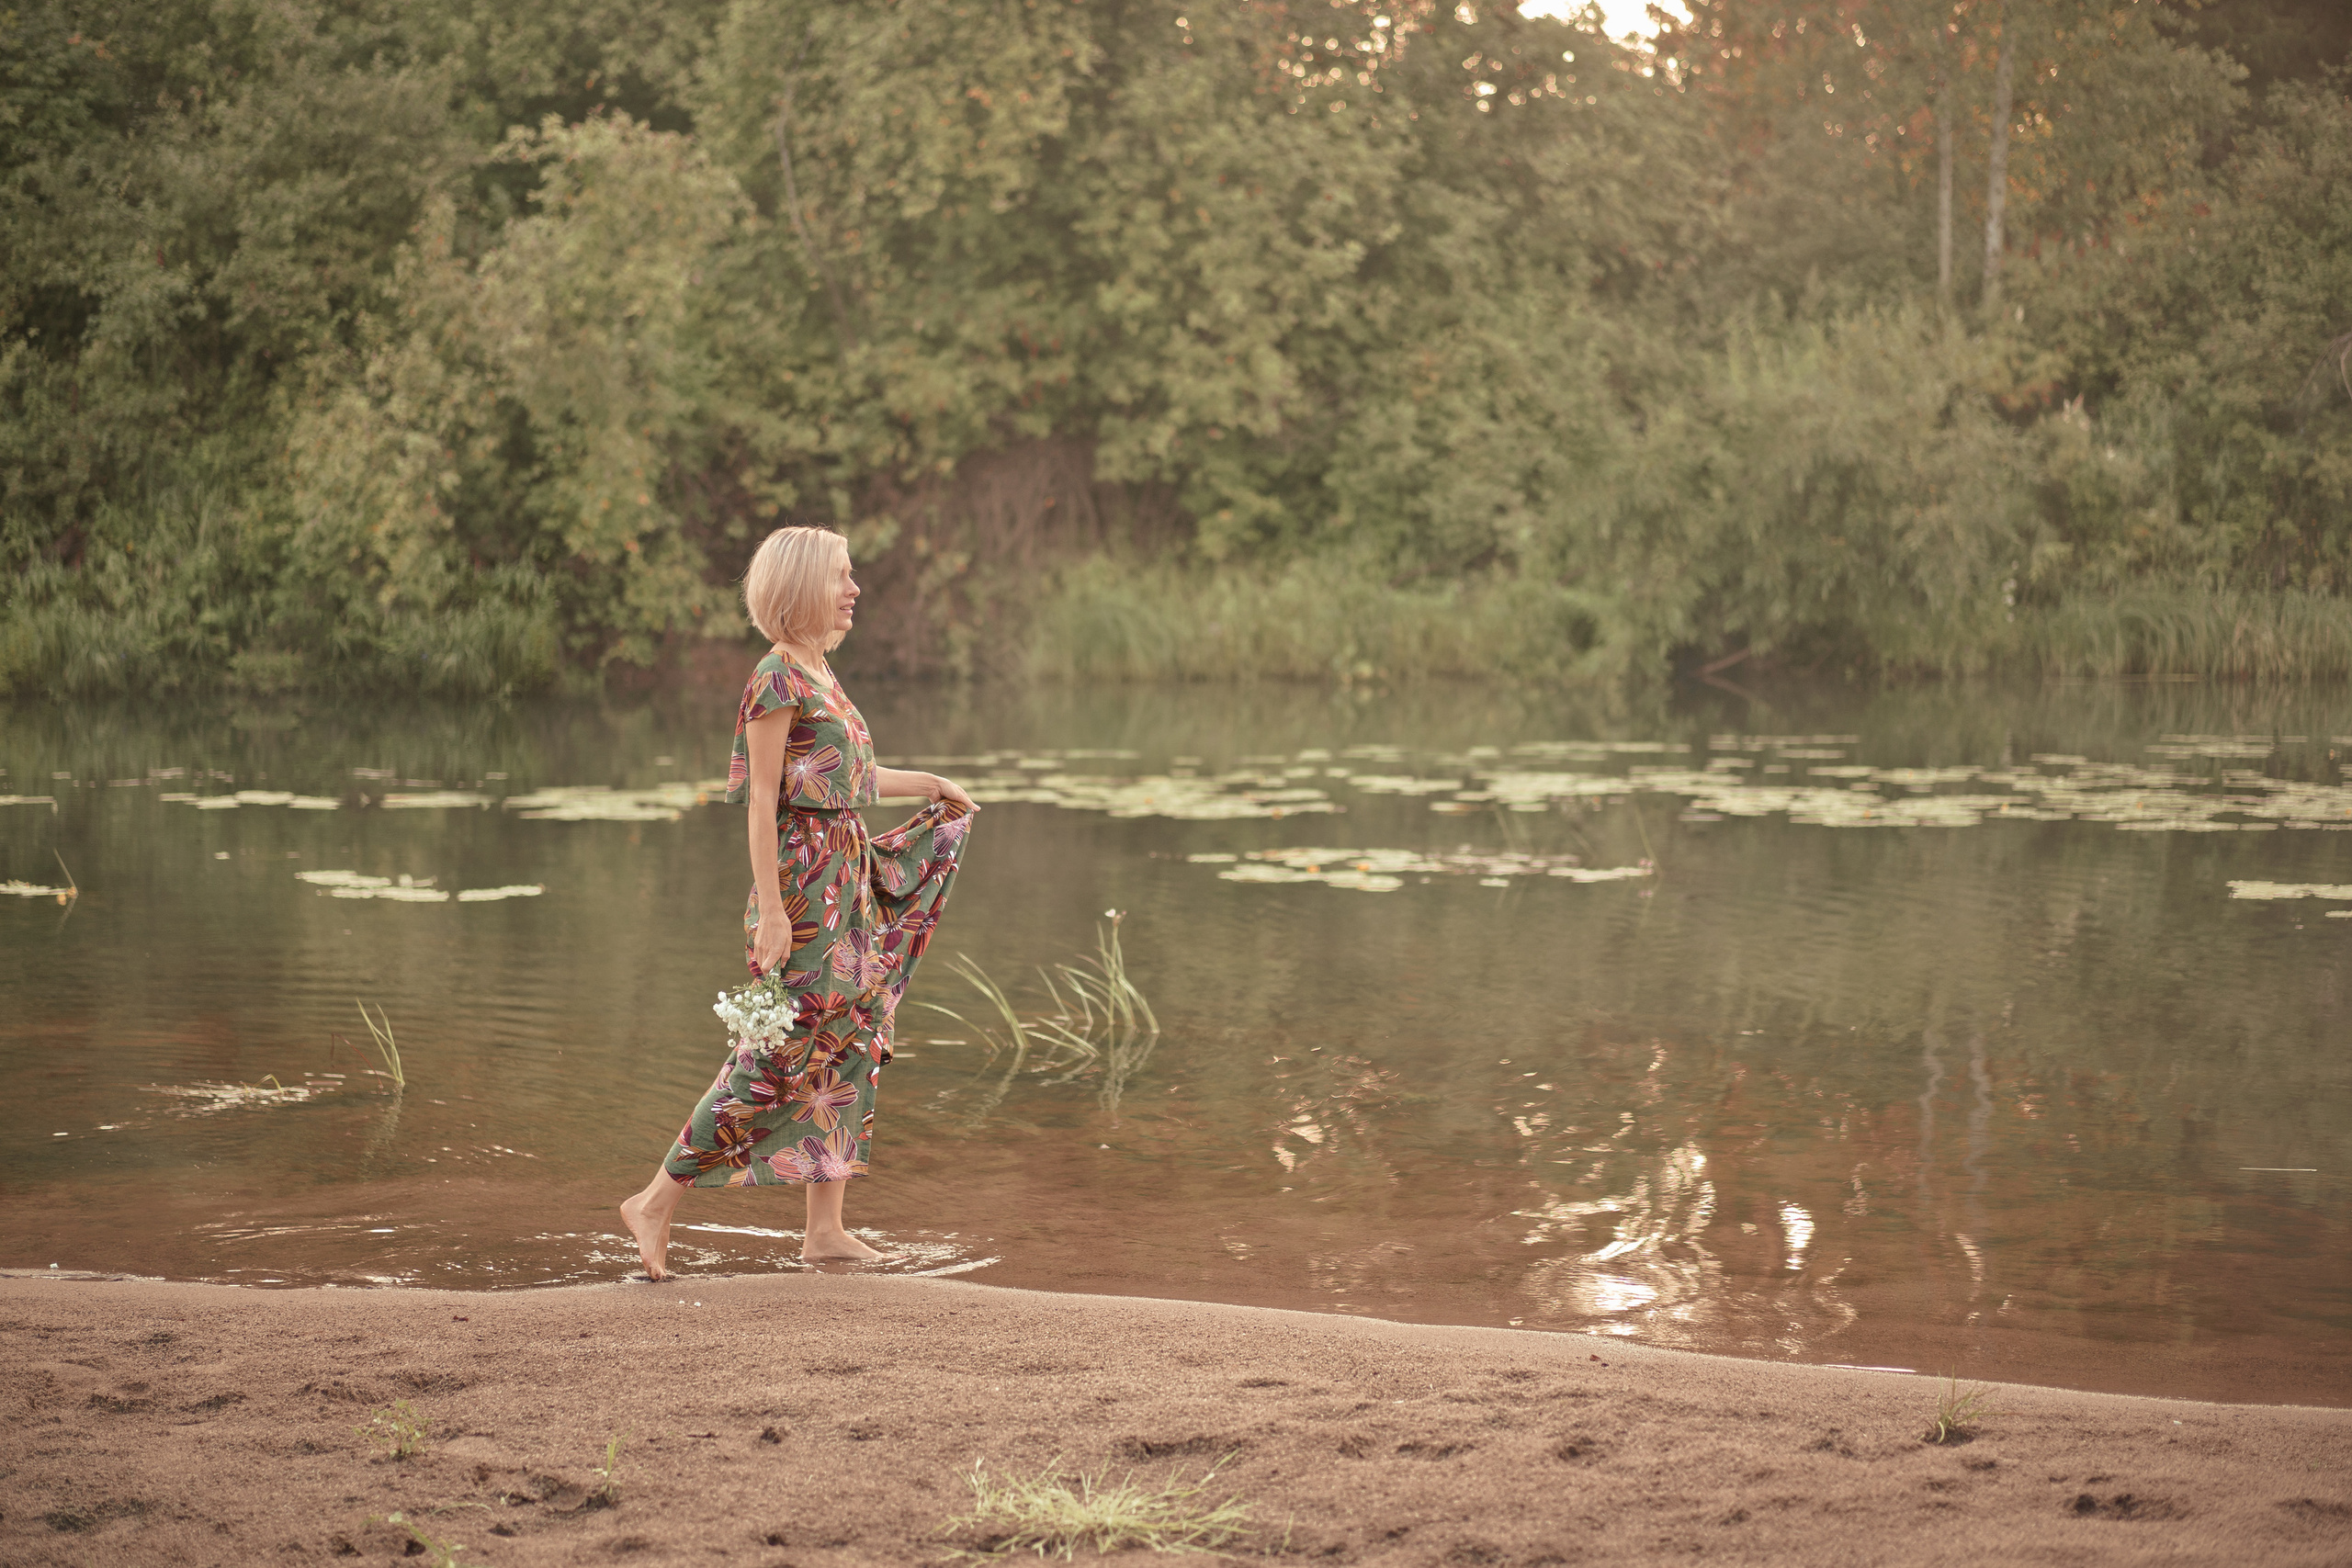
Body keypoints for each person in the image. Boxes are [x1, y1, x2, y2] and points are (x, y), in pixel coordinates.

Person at [617, 525, 975, 1279]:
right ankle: (653, 1199)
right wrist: (775, 911)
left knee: (852, 1041)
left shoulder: (820, 672)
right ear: (803, 585)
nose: (854, 589)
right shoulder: (775, 677)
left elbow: (852, 780)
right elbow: (761, 801)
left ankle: (825, 1229)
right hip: (804, 891)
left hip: (846, 883)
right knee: (777, 1052)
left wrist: (933, 784)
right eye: (841, 576)